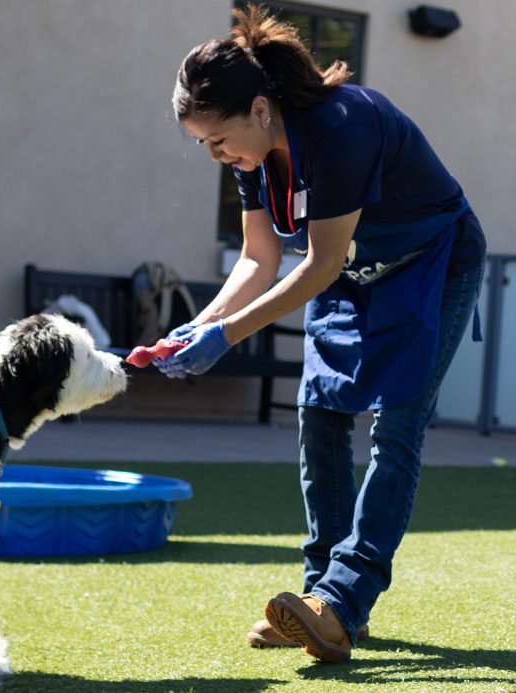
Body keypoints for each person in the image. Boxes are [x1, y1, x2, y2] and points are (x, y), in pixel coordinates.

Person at [157, 5, 486, 663]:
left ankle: (345, 598)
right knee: (320, 415)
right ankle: (321, 600)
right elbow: (258, 258)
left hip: (430, 263)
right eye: (204, 147)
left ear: (257, 109)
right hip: (349, 270)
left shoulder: (343, 127)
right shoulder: (250, 153)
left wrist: (224, 337)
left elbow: (320, 262)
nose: (216, 156)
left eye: (216, 140)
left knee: (398, 427)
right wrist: (195, 325)